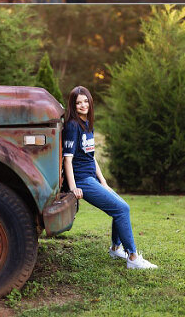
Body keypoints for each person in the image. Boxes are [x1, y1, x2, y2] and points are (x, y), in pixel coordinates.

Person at [63, 86, 158, 269]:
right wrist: (74, 187)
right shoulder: (73, 126)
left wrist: (104, 181)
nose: (83, 105)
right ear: (73, 106)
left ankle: (116, 248)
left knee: (121, 207)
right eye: (78, 103)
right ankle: (132, 257)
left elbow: (92, 157)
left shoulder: (87, 123)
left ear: (90, 102)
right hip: (82, 179)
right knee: (122, 208)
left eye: (85, 101)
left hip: (92, 177)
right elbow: (68, 160)